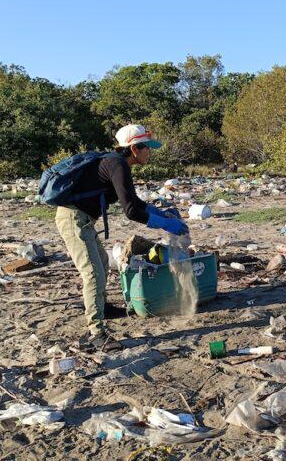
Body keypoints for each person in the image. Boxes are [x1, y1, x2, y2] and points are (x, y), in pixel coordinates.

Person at [55, 124, 188, 350]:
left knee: (103, 263)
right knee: (92, 272)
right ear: (134, 149)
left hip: (83, 220)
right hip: (73, 220)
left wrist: (160, 213)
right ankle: (96, 333)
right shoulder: (117, 165)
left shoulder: (116, 163)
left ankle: (102, 308)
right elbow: (131, 212)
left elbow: (134, 201)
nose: (150, 152)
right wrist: (165, 224)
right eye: (147, 148)